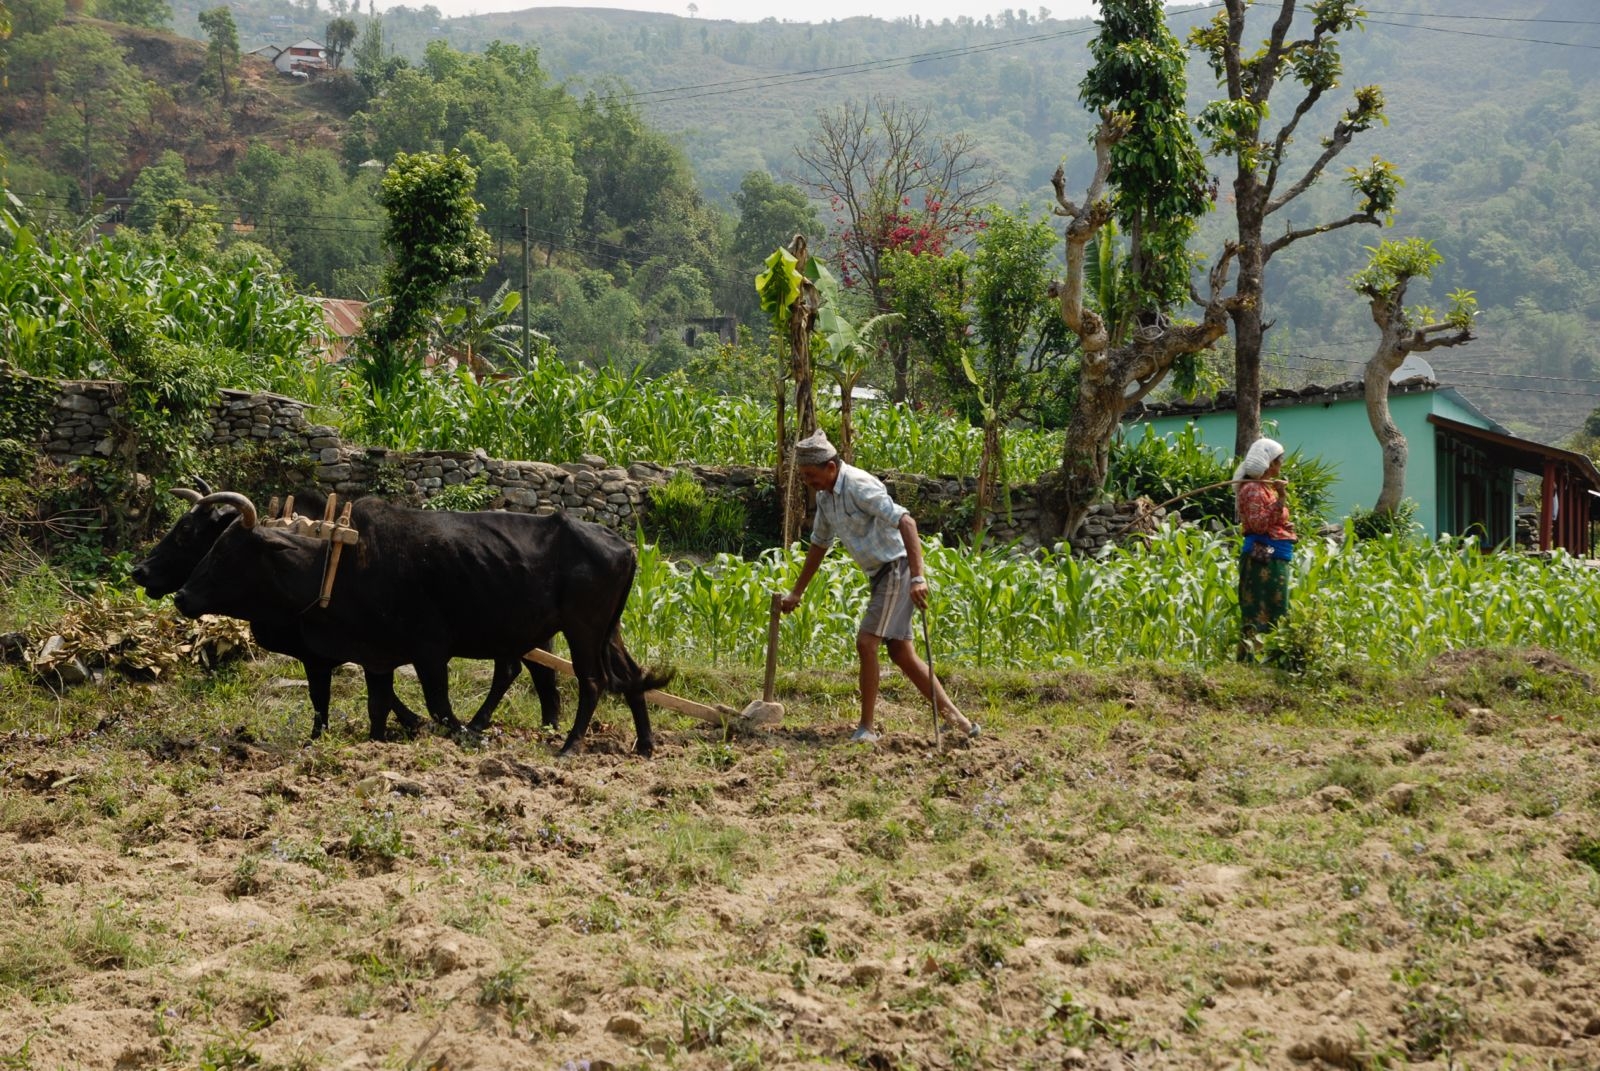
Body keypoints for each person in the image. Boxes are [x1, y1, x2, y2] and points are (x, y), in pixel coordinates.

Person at [779, 429, 980, 744]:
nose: (808, 482)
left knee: (866, 643)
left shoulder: (859, 485)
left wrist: (918, 577)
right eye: (804, 476)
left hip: (897, 569)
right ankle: (960, 721)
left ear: (830, 467)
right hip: (881, 575)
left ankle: (867, 728)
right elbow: (819, 544)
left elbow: (907, 522)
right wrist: (797, 592)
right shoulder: (825, 498)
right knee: (901, 652)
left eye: (810, 475)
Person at [1234, 436, 1297, 659]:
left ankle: (1271, 660)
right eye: (1279, 462)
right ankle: (1252, 660)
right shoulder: (1253, 489)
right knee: (1260, 609)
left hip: (1273, 555)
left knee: (1276, 609)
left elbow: (1268, 521)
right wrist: (1282, 497)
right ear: (1269, 464)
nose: (1281, 466)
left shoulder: (1264, 489)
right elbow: (1259, 525)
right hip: (1264, 556)